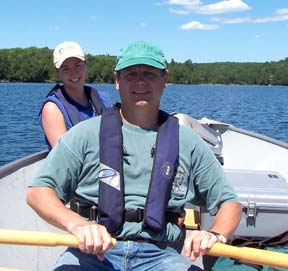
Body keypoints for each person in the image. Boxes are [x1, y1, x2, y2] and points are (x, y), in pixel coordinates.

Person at [27, 40, 242, 271]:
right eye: (131, 74)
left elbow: (229, 203)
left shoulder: (187, 142)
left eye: (149, 73)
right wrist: (78, 225)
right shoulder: (84, 134)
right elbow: (38, 193)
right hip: (93, 254)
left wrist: (215, 234)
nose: (140, 81)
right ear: (117, 81)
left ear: (165, 79)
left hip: (161, 255)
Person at [40, 41, 111, 149]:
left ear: (86, 64)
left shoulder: (102, 99)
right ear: (57, 71)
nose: (74, 73)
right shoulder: (52, 109)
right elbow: (65, 158)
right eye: (66, 69)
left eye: (78, 66)